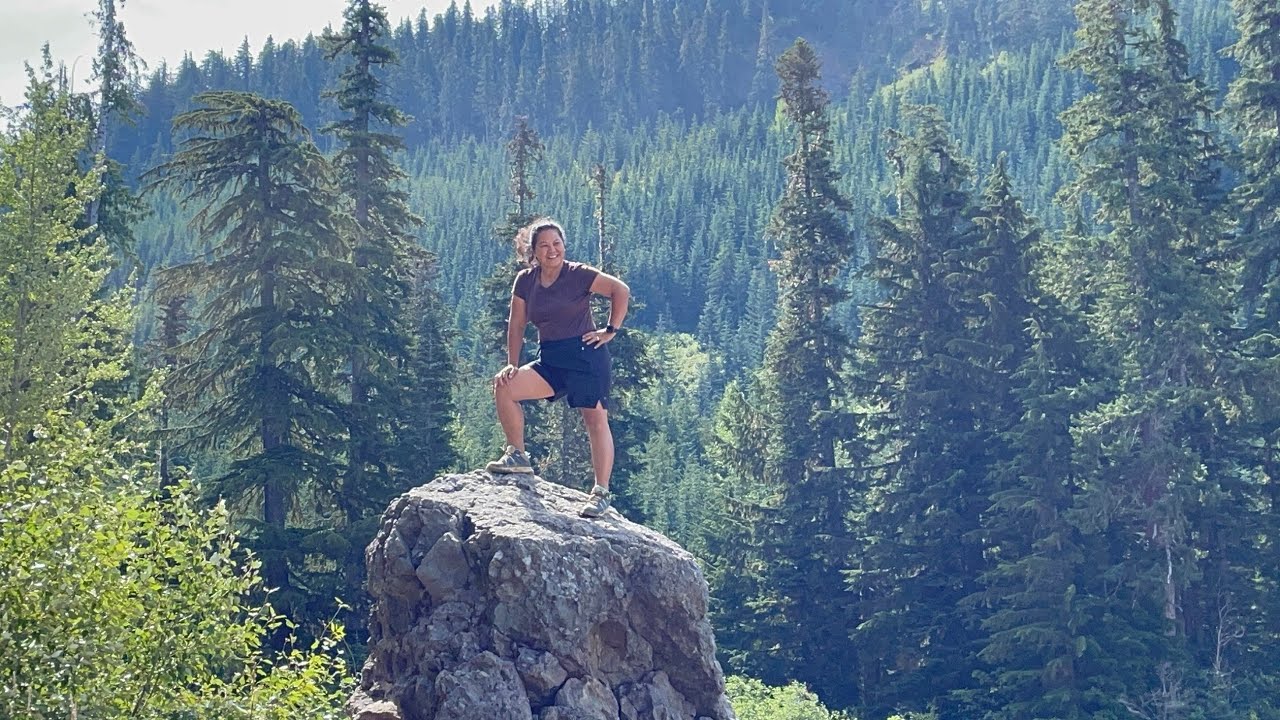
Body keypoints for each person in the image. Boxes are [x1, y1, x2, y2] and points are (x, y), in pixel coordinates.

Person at [486, 217, 630, 518]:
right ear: (533, 252)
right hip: (551, 358)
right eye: (544, 245)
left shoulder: (578, 274)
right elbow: (516, 324)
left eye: (557, 243)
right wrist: (512, 364)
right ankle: (518, 456)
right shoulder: (526, 280)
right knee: (505, 387)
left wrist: (610, 330)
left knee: (595, 421)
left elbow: (620, 290)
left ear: (564, 246)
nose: (552, 250)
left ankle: (600, 493)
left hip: (585, 355)